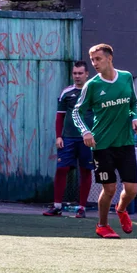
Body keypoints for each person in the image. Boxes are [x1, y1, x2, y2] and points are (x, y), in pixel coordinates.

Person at [72, 44, 137, 239]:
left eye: (98, 59)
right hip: (101, 145)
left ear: (110, 58)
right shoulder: (92, 85)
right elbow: (77, 111)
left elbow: (133, 102)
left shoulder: (126, 77)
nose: (94, 63)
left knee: (131, 190)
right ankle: (102, 225)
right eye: (92, 60)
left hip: (125, 142)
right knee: (109, 188)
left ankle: (121, 210)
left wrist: (136, 117)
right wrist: (85, 131)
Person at [43, 61, 94, 218]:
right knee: (62, 169)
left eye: (80, 73)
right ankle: (57, 206)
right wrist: (59, 136)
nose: (77, 76)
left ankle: (82, 208)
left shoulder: (94, 91)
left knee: (85, 170)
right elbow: (59, 116)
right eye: (75, 73)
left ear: (87, 74)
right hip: (68, 138)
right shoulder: (66, 93)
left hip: (88, 139)